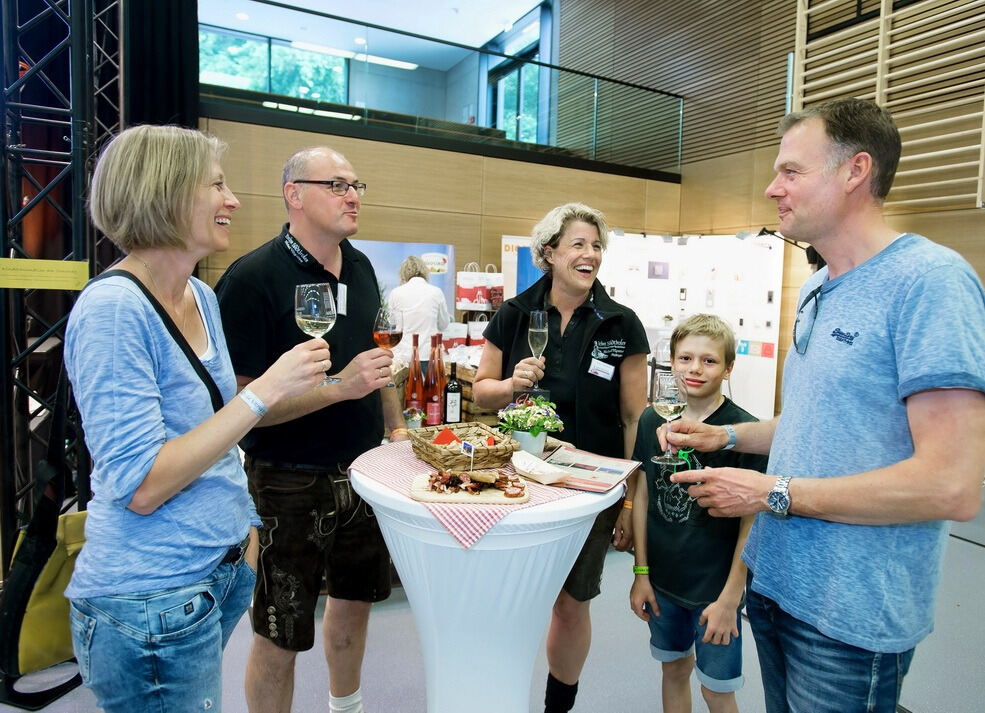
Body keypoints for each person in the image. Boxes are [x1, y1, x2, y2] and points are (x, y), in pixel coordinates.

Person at [664, 98, 985, 713]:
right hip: (781, 588)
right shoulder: (817, 287)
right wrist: (727, 439)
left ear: (854, 171)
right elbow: (819, 426)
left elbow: (952, 485)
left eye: (791, 171)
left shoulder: (931, 283)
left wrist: (771, 494)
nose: (771, 187)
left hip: (852, 614)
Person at [64, 125, 331, 712]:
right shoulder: (113, 310)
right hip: (150, 599)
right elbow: (142, 484)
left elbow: (212, 432)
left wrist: (243, 536)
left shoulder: (200, 298)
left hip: (214, 575)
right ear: (162, 193)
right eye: (216, 185)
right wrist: (265, 392)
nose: (232, 200)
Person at [215, 146, 407, 713]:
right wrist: (338, 389)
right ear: (293, 194)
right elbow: (239, 409)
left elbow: (380, 366)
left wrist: (395, 432)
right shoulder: (252, 279)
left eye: (357, 185)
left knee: (354, 608)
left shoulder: (364, 267)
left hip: (365, 473)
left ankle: (346, 707)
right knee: (280, 631)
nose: (353, 195)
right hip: (287, 481)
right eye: (337, 184)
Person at [472, 202, 649, 713]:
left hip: (591, 488)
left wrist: (631, 501)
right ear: (549, 252)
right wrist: (509, 385)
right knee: (513, 601)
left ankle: (556, 708)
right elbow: (483, 392)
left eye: (596, 245)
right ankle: (495, 695)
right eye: (578, 243)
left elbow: (635, 418)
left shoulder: (621, 324)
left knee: (571, 604)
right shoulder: (514, 313)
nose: (590, 253)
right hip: (521, 481)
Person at [630, 314, 767, 713]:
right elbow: (642, 494)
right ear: (670, 362)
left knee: (717, 691)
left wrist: (731, 598)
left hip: (715, 589)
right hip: (662, 582)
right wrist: (641, 573)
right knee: (673, 671)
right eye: (685, 358)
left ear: (728, 369)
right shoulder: (653, 418)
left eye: (708, 361)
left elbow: (751, 522)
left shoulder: (744, 430)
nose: (695, 369)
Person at [387, 254, 450, 367]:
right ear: (424, 271)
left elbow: (392, 324)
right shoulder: (436, 292)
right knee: (432, 385)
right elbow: (444, 324)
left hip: (404, 356)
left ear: (403, 273)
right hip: (430, 354)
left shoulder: (395, 293)